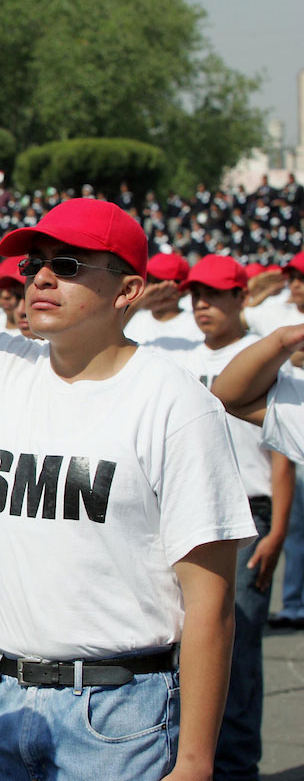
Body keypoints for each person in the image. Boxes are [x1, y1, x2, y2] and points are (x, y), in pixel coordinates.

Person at [0, 199, 256, 780]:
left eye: (71, 265)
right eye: (34, 266)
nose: (43, 278)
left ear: (127, 290)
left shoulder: (174, 403)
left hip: (117, 710)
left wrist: (195, 762)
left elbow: (210, 602)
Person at [147, 254, 292, 781]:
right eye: (195, 295)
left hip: (247, 511)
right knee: (186, 644)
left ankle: (234, 765)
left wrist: (277, 527)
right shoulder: (174, 353)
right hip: (180, 508)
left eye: (214, 294)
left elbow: (279, 455)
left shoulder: (255, 357)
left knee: (240, 648)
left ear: (242, 298)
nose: (202, 305)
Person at [125, 253, 198, 343]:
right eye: (147, 279)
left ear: (178, 287)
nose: (149, 287)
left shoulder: (197, 326)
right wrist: (135, 306)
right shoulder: (133, 317)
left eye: (157, 280)